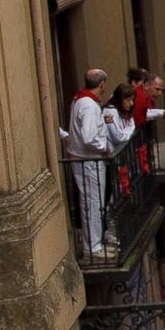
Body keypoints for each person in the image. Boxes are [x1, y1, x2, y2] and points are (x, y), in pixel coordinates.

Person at [65, 68, 115, 257]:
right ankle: (92, 247)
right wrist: (103, 147)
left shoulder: (80, 100)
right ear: (102, 84)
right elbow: (87, 136)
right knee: (94, 201)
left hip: (84, 159)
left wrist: (101, 119)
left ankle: (94, 243)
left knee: (93, 201)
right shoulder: (89, 105)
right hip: (89, 160)